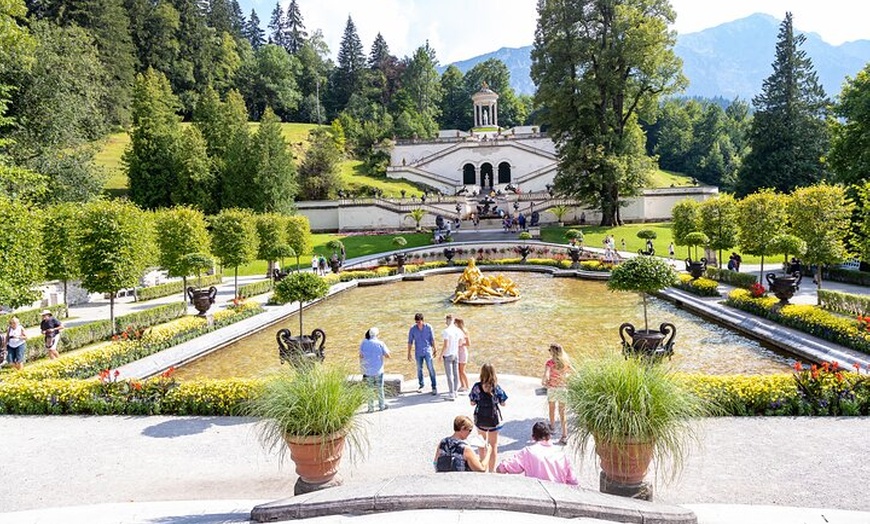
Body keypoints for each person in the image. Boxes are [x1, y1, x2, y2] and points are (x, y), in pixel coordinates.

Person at [495, 421, 579, 485]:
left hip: (538, 494)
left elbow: (503, 468)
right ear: (549, 436)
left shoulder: (528, 452)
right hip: (559, 497)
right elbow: (573, 481)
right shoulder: (561, 454)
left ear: (533, 437)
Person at [469, 363, 508, 472]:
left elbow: (472, 402)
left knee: (481, 444)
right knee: (493, 446)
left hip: (480, 420)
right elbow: (503, 403)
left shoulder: (477, 387)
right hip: (493, 420)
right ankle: (491, 471)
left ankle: (482, 467)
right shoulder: (496, 388)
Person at [542, 343, 574, 444]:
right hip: (563, 389)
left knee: (552, 409)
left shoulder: (550, 363)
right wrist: (566, 379)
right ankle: (564, 435)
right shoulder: (565, 362)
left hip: (552, 389)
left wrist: (544, 381)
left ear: (553, 352)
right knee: (562, 413)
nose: (549, 351)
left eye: (549, 350)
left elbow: (546, 375)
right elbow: (574, 373)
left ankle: (552, 427)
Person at [359, 327, 391, 412]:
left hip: (368, 371)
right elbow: (388, 355)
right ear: (377, 334)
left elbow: (361, 356)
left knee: (369, 389)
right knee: (380, 388)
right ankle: (381, 406)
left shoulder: (364, 342)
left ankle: (370, 408)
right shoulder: (380, 343)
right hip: (378, 370)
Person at [407, 313, 437, 395]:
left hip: (428, 350)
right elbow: (410, 342)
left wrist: (435, 348)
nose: (418, 324)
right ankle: (421, 385)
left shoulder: (429, 327)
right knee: (419, 369)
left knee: (430, 368)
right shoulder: (413, 329)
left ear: (422, 320)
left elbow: (432, 339)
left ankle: (434, 386)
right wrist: (409, 353)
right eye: (416, 322)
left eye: (419, 322)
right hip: (418, 352)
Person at [438, 314, 462, 400]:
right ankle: (455, 391)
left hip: (448, 354)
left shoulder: (446, 331)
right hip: (456, 353)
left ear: (448, 320)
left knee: (449, 375)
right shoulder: (458, 330)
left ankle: (451, 393)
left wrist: (441, 355)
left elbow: (446, 345)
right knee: (456, 374)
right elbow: (461, 342)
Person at [454, 318, 471, 392]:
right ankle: (462, 385)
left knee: (462, 370)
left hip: (462, 352)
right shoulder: (457, 331)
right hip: (457, 352)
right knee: (459, 370)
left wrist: (460, 344)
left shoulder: (465, 331)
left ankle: (467, 386)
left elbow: (468, 343)